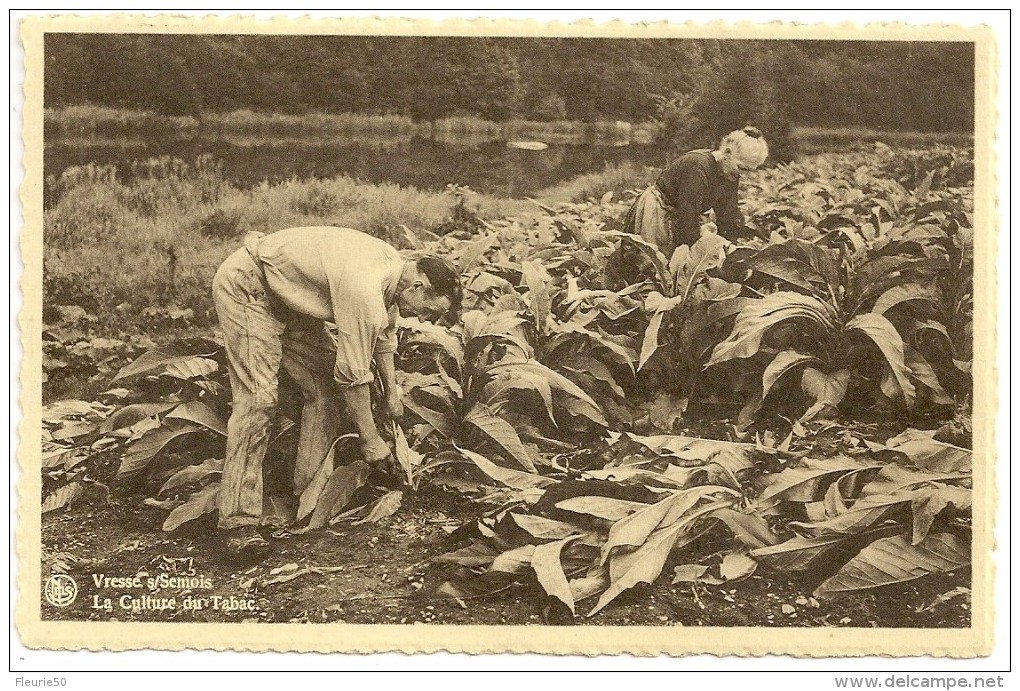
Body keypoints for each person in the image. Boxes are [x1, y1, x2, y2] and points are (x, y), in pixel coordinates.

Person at [211, 226, 462, 561]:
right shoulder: (364, 288)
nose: (425, 319)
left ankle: (308, 495)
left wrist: (391, 394)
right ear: (419, 286)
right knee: (258, 400)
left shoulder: (394, 270)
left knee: (324, 387)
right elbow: (353, 376)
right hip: (250, 286)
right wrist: (371, 440)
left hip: (290, 299)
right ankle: (238, 524)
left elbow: (385, 333)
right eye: (430, 311)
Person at [623, 126, 769, 259]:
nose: (743, 175)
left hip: (681, 215)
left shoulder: (730, 173)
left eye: (749, 171)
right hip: (657, 213)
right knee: (654, 263)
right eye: (742, 168)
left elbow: (728, 215)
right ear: (727, 153)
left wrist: (732, 250)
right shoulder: (697, 167)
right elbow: (688, 217)